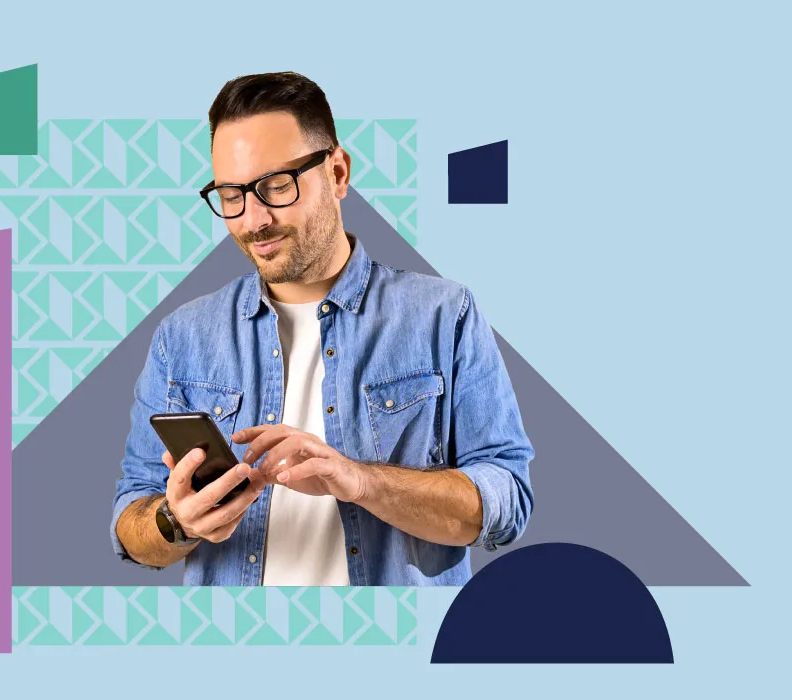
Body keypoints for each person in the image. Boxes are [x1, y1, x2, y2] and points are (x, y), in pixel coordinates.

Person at [110, 72, 535, 586]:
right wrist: (175, 523)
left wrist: (358, 480)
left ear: (336, 172)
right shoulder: (182, 336)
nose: (253, 220)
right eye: (231, 193)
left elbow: (506, 502)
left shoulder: (445, 314)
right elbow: (131, 519)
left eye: (275, 186)